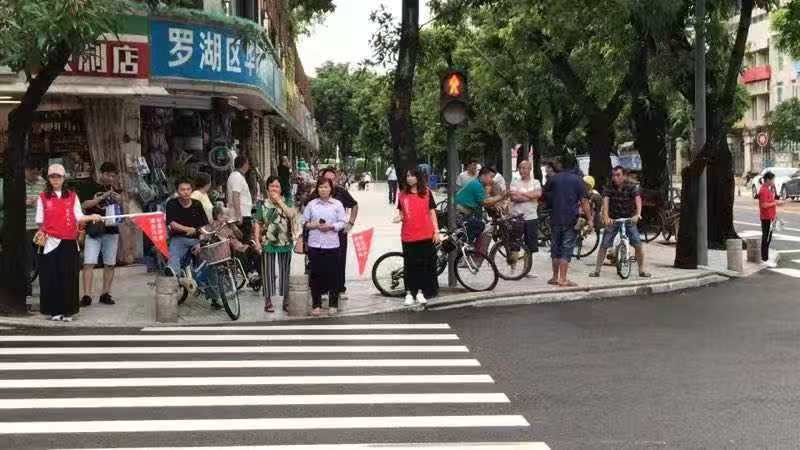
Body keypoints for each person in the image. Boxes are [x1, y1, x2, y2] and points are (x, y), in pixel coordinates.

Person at [35, 164, 102, 321]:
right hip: (50, 242)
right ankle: (54, 311)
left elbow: (79, 216)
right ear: (48, 179)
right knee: (51, 276)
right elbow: (39, 220)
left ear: (64, 178)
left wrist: (92, 217)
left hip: (69, 241)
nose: (55, 180)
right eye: (52, 177)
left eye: (58, 176)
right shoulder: (43, 197)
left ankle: (68, 311)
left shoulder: (72, 196)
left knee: (69, 276)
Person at [589, 166, 650, 278]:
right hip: (614, 218)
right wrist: (606, 216)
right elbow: (606, 202)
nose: (615, 178)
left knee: (637, 244)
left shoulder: (632, 187)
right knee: (604, 244)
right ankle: (597, 270)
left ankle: (641, 270)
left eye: (618, 175)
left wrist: (638, 214)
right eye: (613, 175)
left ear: (624, 176)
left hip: (629, 218)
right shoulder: (609, 187)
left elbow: (638, 200)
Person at [543, 155, 592, 287]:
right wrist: (590, 219)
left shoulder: (553, 179)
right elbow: (584, 201)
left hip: (554, 218)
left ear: (562, 165)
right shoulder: (578, 180)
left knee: (555, 248)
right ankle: (563, 279)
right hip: (571, 219)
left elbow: (544, 197)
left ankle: (554, 277)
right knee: (566, 248)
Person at [80, 162, 123, 307]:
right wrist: (102, 197)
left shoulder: (116, 189)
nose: (110, 178)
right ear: (101, 174)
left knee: (110, 263)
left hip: (112, 229)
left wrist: (119, 201)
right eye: (108, 175)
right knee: (89, 262)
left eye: (113, 176)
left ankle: (106, 293)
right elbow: (84, 205)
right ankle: (87, 295)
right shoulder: (90, 186)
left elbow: (121, 210)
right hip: (94, 229)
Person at [310, 167, 358, 298]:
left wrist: (350, 223)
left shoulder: (341, 192)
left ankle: (340, 289)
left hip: (338, 233)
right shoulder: (316, 193)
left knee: (339, 261)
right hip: (320, 234)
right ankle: (323, 289)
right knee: (322, 261)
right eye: (327, 179)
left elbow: (354, 205)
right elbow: (306, 210)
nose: (330, 182)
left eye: (332, 179)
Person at [396, 168, 440, 306]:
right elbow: (402, 213)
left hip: (426, 234)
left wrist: (436, 231)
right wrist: (399, 218)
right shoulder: (402, 194)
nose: (409, 178)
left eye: (412, 176)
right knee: (409, 265)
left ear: (418, 177)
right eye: (407, 176)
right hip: (408, 235)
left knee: (423, 265)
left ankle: (421, 292)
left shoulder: (426, 192)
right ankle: (409, 293)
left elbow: (432, 213)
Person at [304, 177, 347, 316]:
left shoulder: (337, 204)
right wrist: (314, 225)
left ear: (331, 189)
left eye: (326, 187)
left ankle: (333, 304)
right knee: (315, 275)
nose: (323, 190)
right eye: (321, 187)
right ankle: (316, 305)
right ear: (317, 189)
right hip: (315, 244)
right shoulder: (311, 204)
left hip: (332, 244)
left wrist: (331, 226)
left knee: (333, 274)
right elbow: (304, 223)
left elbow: (342, 222)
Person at [254, 176, 296, 313]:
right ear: (267, 189)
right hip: (267, 241)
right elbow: (257, 223)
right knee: (268, 272)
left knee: (285, 271)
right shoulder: (261, 204)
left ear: (281, 189)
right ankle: (268, 301)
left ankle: (286, 300)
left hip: (285, 241)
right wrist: (257, 241)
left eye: (277, 186)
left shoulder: (287, 201)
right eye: (272, 186)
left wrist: (279, 201)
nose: (274, 189)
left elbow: (291, 214)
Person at [455, 166, 507, 251]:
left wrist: (495, 205)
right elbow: (485, 201)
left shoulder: (479, 184)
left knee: (477, 224)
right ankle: (464, 247)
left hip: (463, 214)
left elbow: (485, 200)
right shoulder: (477, 185)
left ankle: (464, 245)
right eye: (491, 177)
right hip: (459, 215)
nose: (492, 180)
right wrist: (501, 196)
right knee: (480, 226)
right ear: (483, 176)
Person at [165, 177, 209, 276]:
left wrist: (201, 241)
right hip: (179, 238)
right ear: (177, 191)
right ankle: (173, 272)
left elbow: (203, 225)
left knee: (209, 257)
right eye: (182, 189)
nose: (186, 192)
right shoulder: (171, 204)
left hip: (196, 239)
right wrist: (187, 229)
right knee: (174, 253)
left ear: (191, 190)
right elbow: (172, 223)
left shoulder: (197, 204)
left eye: (188, 189)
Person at [509, 160, 542, 266]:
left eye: (524, 168)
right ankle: (513, 268)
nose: (522, 170)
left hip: (531, 217)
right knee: (514, 245)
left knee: (530, 246)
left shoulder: (535, 182)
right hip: (517, 217)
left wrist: (521, 193)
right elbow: (514, 198)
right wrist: (530, 196)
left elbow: (538, 194)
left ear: (530, 169)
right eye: (520, 168)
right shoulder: (514, 182)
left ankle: (526, 268)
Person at [227, 155, 255, 276]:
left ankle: (245, 270)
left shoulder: (235, 176)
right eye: (248, 163)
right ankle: (245, 271)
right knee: (244, 243)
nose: (248, 166)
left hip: (243, 214)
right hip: (242, 215)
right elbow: (235, 195)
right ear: (244, 164)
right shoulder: (237, 177)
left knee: (243, 243)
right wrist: (239, 215)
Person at [24, 161, 46, 296]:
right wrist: (23, 202)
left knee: (43, 258)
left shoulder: (43, 183)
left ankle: (45, 290)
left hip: (40, 229)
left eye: (37, 173)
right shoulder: (18, 183)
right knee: (27, 259)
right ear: (26, 170)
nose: (35, 176)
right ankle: (27, 291)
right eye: (32, 174)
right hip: (25, 228)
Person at [759, 171, 783, 263]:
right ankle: (764, 258)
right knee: (766, 238)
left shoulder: (767, 189)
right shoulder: (763, 190)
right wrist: (775, 203)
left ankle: (765, 257)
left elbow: (769, 203)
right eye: (773, 179)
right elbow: (764, 205)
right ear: (768, 180)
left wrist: (775, 216)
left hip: (770, 217)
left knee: (768, 238)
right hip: (766, 218)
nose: (774, 181)